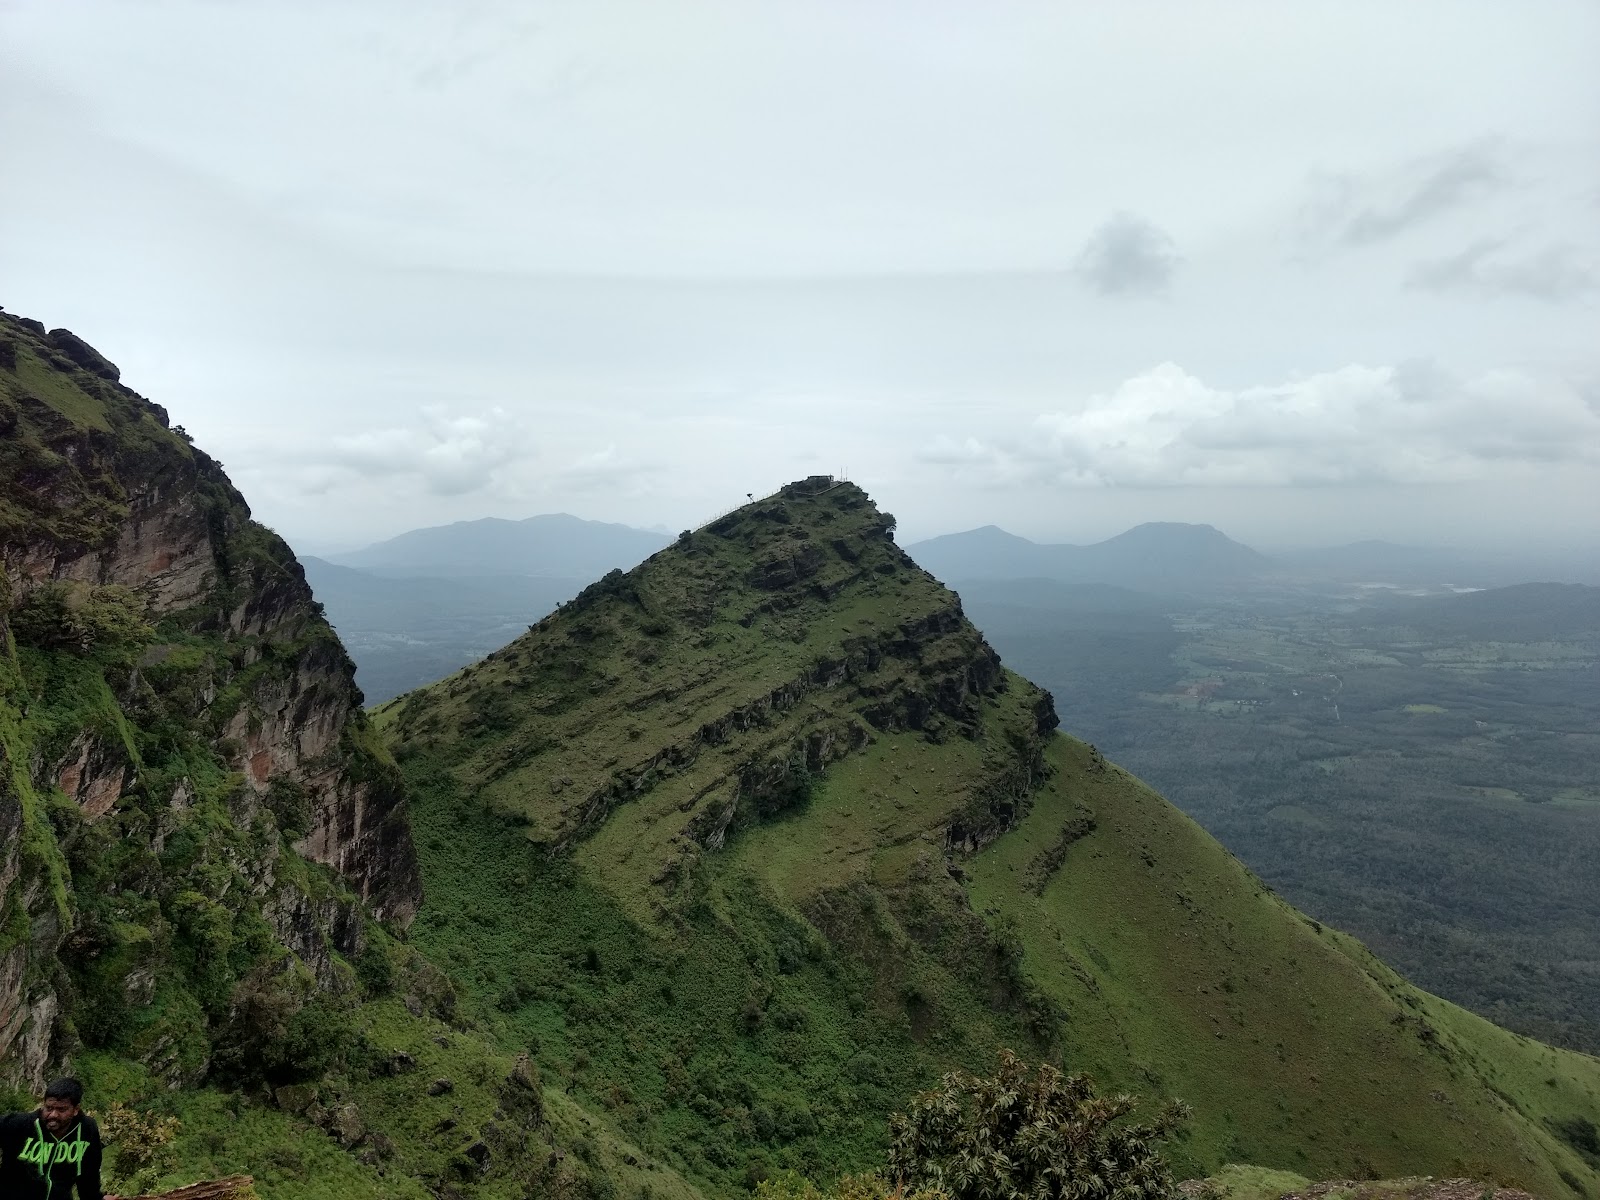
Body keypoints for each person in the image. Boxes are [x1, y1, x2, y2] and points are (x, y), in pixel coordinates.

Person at [0, 1077, 117, 1199]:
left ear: (75, 1109)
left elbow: (89, 1176)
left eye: (61, 1109)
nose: (53, 1115)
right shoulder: (20, 1125)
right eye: (49, 1108)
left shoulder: (86, 1129)